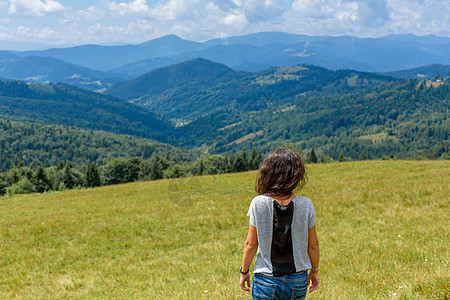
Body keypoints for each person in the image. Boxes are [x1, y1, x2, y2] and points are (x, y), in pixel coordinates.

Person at [239, 148, 319, 300]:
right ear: (296, 175)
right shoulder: (306, 205)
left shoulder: (258, 203)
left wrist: (244, 272)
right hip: (297, 280)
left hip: (265, 280)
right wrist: (314, 271)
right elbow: (313, 245)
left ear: (268, 173)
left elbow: (250, 244)